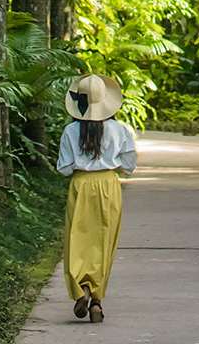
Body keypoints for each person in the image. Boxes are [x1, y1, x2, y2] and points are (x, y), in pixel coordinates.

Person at [57, 74, 137, 323]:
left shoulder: (70, 131)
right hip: (108, 185)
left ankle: (81, 289)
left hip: (80, 185)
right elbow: (129, 165)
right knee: (104, 242)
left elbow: (64, 167)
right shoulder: (120, 130)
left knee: (77, 240)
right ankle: (96, 302)